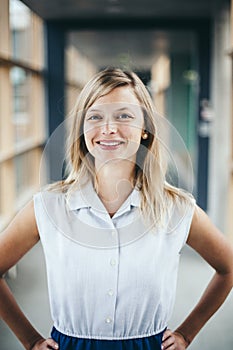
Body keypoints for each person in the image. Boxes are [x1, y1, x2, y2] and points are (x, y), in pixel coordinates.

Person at [0, 67, 233, 350]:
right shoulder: (48, 206)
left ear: (145, 129)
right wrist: (30, 340)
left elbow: (228, 268)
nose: (108, 129)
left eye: (124, 115)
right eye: (95, 117)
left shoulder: (177, 208)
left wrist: (187, 333)